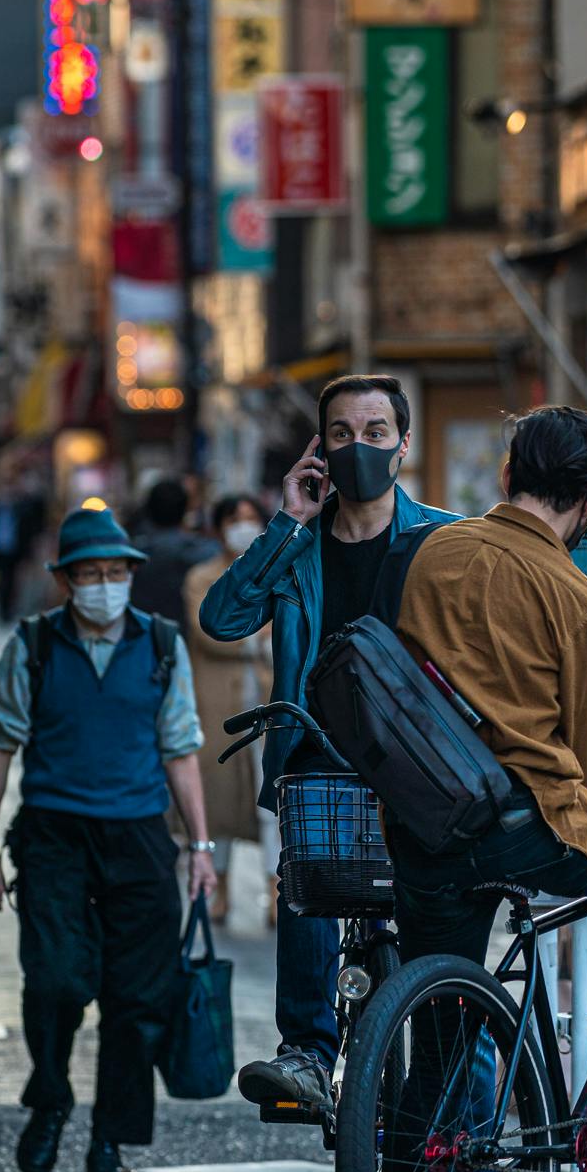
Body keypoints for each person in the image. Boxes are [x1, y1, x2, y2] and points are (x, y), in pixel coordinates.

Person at [393, 407, 587, 1102]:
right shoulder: (580, 601)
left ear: (508, 475)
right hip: (524, 826)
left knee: (438, 1049)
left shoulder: (432, 552)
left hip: (420, 819)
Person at [198, 374, 456, 1121]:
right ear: (319, 449)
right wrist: (285, 520)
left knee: (440, 937)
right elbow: (222, 617)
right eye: (341, 433)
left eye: (375, 432)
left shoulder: (441, 539)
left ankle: (460, 1118)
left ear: (403, 445)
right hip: (315, 755)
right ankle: (306, 1052)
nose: (359, 447)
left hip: (422, 765)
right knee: (307, 883)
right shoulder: (299, 544)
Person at [0, 505, 218, 1172]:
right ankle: (49, 1095)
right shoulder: (34, 646)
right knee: (54, 979)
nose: (105, 585)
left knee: (136, 1001)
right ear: (66, 581)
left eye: (116, 573)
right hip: (53, 834)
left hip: (140, 838)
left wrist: (198, 847)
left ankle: (108, 1146)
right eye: (90, 574)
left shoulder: (162, 645)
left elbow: (182, 751)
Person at [182, 493, 275, 926]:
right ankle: (216, 889)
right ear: (217, 527)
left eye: (252, 519)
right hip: (219, 702)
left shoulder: (278, 571)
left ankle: (277, 890)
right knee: (218, 798)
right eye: (235, 519)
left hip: (270, 703)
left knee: (272, 800)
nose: (243, 526)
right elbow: (210, 634)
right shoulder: (202, 577)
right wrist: (258, 641)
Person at [129, 474, 211, 629]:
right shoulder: (204, 553)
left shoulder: (132, 554)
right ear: (186, 509)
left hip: (142, 634)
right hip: (186, 637)